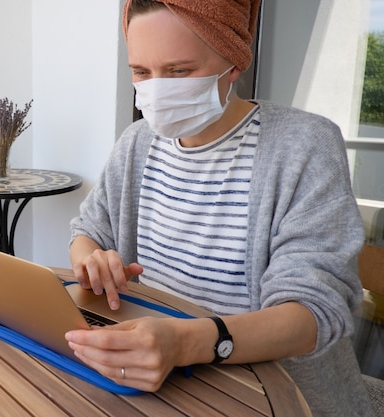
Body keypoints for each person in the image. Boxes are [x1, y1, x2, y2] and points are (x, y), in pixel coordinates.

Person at [65, 1, 375, 416]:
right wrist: (91, 260)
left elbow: (312, 316)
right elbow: (88, 230)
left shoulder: (304, 146)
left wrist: (184, 343)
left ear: (232, 62)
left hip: (276, 397)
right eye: (141, 72)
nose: (156, 90)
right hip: (164, 389)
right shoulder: (136, 143)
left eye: (179, 71)